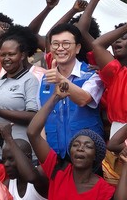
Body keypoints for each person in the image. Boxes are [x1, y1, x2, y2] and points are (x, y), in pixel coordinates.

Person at [37, 23, 105, 157]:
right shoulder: (44, 79)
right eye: (55, 44)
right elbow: (41, 119)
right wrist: (45, 155)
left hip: (86, 156)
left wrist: (60, 79)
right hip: (54, 154)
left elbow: (83, 99)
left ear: (78, 48)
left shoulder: (92, 74)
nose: (60, 48)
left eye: (66, 44)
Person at [0, 26, 41, 142]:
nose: (6, 58)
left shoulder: (30, 80)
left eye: (11, 54)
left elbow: (33, 117)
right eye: (3, 54)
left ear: (22, 55)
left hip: (19, 145)